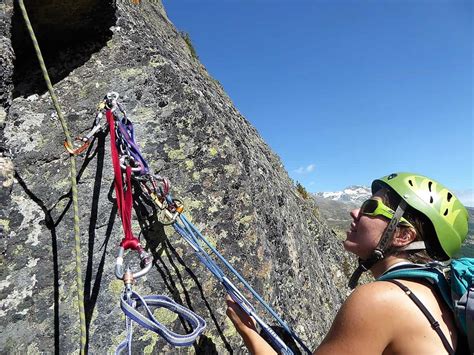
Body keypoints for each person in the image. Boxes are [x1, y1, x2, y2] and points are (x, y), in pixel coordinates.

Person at [226, 172, 469, 354]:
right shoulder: (440, 291)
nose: (354, 212)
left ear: (402, 235)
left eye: (370, 207)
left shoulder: (381, 299)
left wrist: (249, 332)